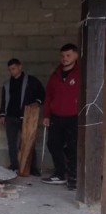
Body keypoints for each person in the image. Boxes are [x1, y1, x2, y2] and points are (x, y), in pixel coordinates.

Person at [41, 43, 80, 190]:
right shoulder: (55, 74)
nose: (64, 58)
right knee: (52, 144)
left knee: (72, 147)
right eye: (62, 56)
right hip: (56, 117)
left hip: (74, 117)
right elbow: (48, 96)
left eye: (68, 55)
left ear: (75, 55)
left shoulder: (81, 73)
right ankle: (60, 174)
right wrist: (46, 115)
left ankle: (73, 177)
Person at [0, 58, 45, 176]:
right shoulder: (7, 84)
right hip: (10, 117)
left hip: (26, 117)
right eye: (10, 70)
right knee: (12, 143)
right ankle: (14, 165)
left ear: (20, 67)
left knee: (28, 141)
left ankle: (32, 167)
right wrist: (2, 114)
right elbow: (4, 100)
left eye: (13, 68)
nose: (12, 71)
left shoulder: (31, 81)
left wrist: (37, 102)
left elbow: (42, 94)